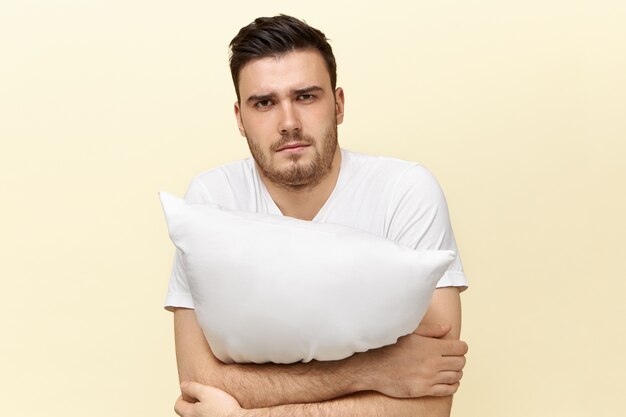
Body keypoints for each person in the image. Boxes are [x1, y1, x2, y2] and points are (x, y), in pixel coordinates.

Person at [166, 14, 469, 417]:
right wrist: (378, 370)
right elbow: (198, 384)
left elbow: (429, 402)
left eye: (306, 96)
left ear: (338, 104)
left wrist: (247, 412)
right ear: (240, 118)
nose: (288, 123)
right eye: (264, 103)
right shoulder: (212, 198)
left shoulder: (405, 191)